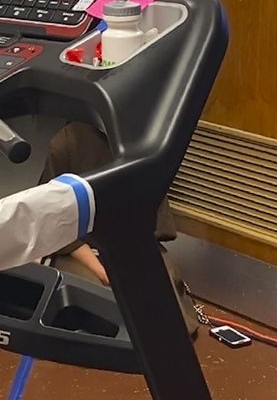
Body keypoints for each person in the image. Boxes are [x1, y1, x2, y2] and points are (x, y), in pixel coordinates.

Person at [40, 121, 202, 339]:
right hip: (79, 248)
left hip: (133, 244)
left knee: (162, 292)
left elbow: (152, 223)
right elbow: (53, 221)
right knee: (98, 300)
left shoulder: (147, 144)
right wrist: (101, 271)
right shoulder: (68, 140)